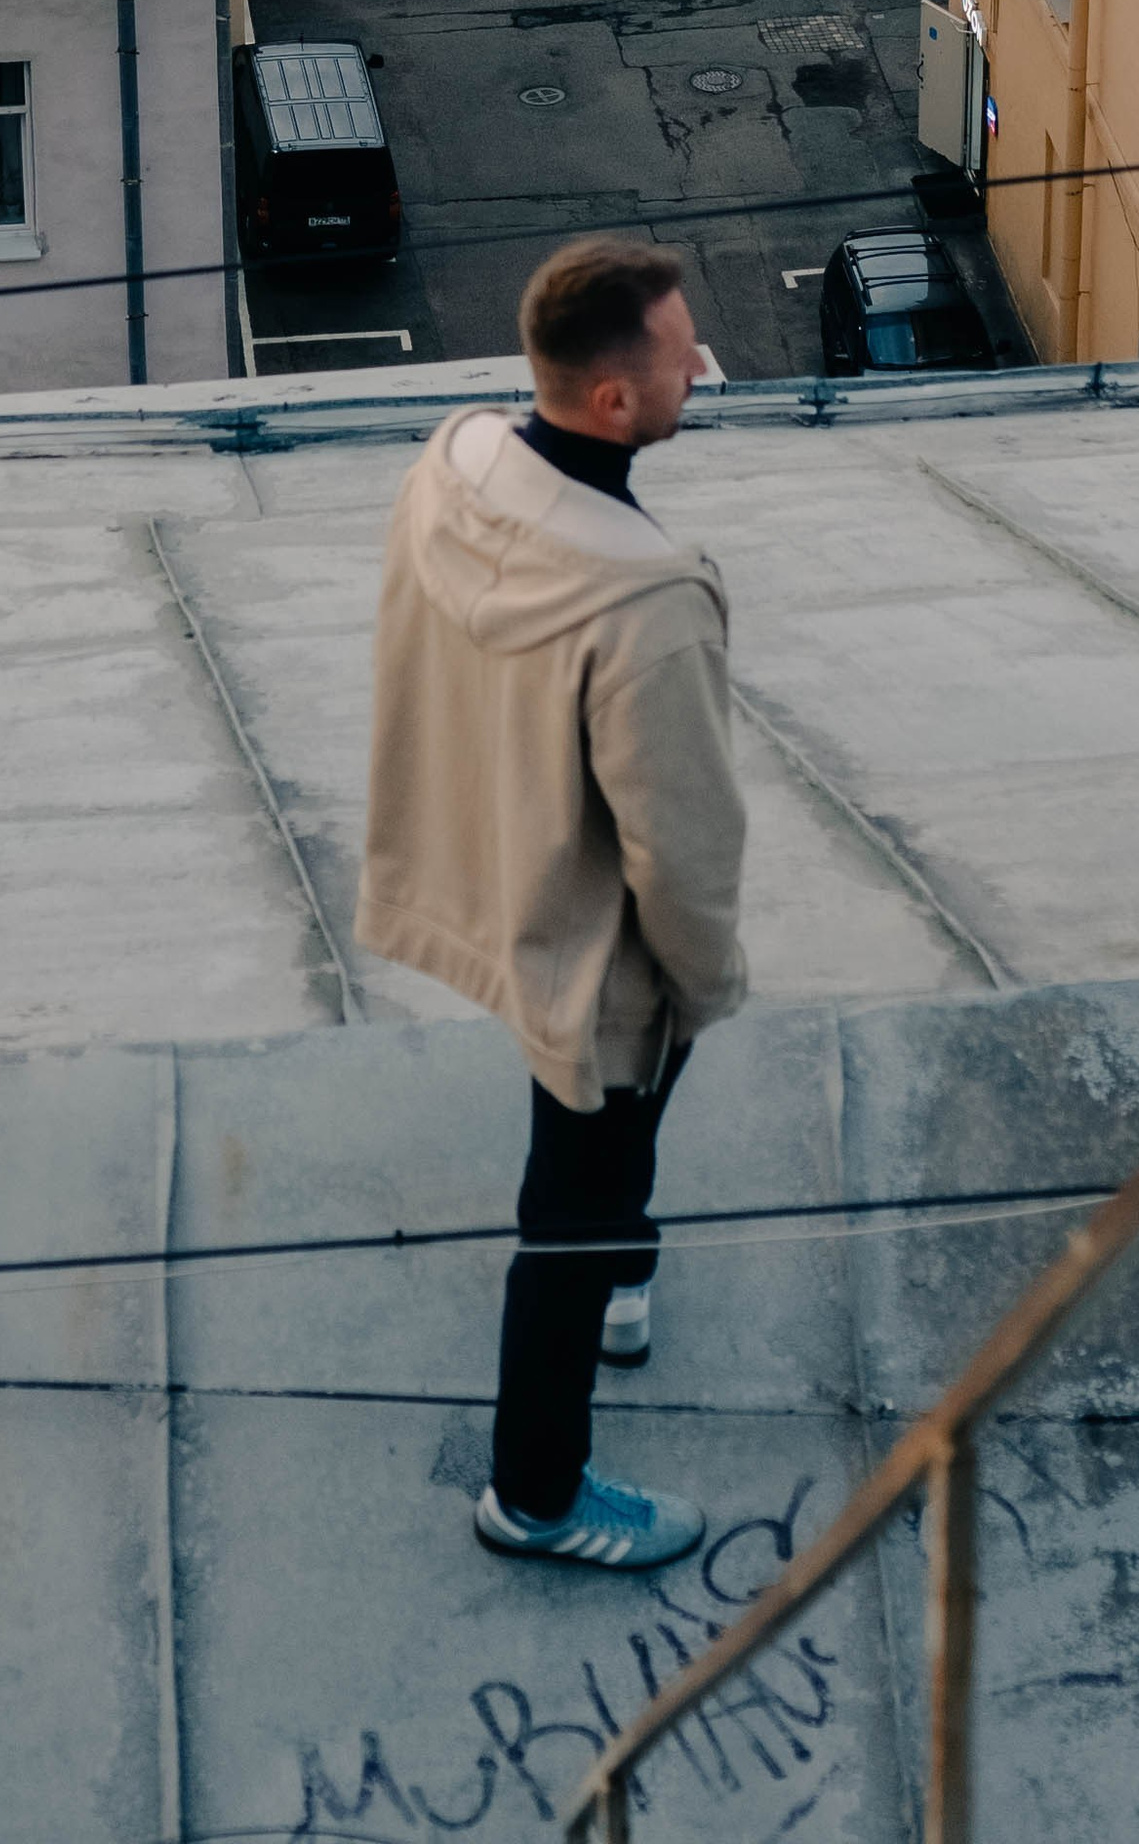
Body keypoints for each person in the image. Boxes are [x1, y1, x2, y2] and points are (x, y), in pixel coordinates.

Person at [356, 235, 747, 1571]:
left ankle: (624, 1281)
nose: (701, 360)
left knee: (590, 1187)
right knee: (569, 1206)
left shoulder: (457, 463)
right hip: (589, 944)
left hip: (481, 866)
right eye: (679, 350)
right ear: (614, 403)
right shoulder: (648, 602)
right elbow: (684, 857)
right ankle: (536, 1493)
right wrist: (708, 978)